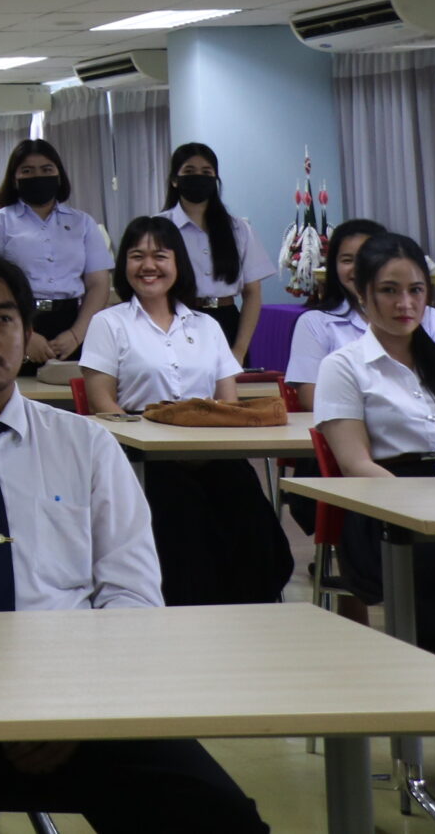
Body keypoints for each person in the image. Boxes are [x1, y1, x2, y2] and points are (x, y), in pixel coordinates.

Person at [0, 251, 268, 834]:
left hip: (83, 703)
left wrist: (73, 705)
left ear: (27, 333)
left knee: (220, 817)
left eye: (4, 318)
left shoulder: (87, 444)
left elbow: (133, 597)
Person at [313, 231, 435, 777]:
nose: (405, 304)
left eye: (416, 290)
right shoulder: (345, 366)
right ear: (362, 294)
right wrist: (430, 509)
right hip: (387, 517)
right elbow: (357, 465)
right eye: (389, 290)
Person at [78, 217, 289, 609]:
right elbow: (101, 403)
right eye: (137, 256)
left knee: (252, 519)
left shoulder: (207, 326)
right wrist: (148, 441)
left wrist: (205, 445)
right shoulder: (108, 323)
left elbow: (227, 404)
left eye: (160, 255)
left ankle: (250, 613)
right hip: (144, 455)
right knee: (183, 518)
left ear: (178, 263)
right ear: (124, 265)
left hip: (210, 448)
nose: (148, 265)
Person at [287, 217, 435, 409]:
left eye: (366, 258)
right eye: (347, 260)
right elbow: (312, 398)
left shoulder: (431, 318)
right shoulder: (315, 322)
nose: (358, 268)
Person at [0, 138, 112, 365]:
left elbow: (98, 284)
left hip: (72, 324)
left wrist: (77, 334)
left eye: (46, 169)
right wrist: (24, 333)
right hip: (14, 321)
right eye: (27, 171)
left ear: (59, 176)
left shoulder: (83, 223)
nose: (38, 176)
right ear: (15, 179)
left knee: (71, 387)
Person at [162, 142, 267, 364]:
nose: (198, 177)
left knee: (230, 387)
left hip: (227, 320)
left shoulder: (239, 229)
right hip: (176, 319)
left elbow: (252, 294)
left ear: (215, 180)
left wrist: (239, 349)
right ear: (174, 180)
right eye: (189, 171)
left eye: (206, 172)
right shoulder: (159, 227)